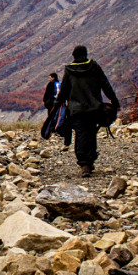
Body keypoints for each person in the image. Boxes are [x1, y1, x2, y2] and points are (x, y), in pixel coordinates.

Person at [57, 45, 119, 177]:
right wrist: (114, 100)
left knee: (81, 135)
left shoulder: (69, 70)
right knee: (91, 133)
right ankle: (90, 161)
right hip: (94, 107)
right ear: (86, 54)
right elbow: (105, 84)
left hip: (76, 109)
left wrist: (56, 104)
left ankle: (84, 163)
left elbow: (64, 90)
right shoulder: (94, 67)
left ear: (74, 56)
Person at [41, 73, 71, 148]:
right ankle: (60, 132)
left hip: (53, 103)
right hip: (62, 104)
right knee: (61, 117)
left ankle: (51, 131)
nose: (49, 79)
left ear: (53, 77)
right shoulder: (60, 84)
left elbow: (47, 93)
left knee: (51, 117)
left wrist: (45, 101)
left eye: (50, 77)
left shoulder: (51, 84)